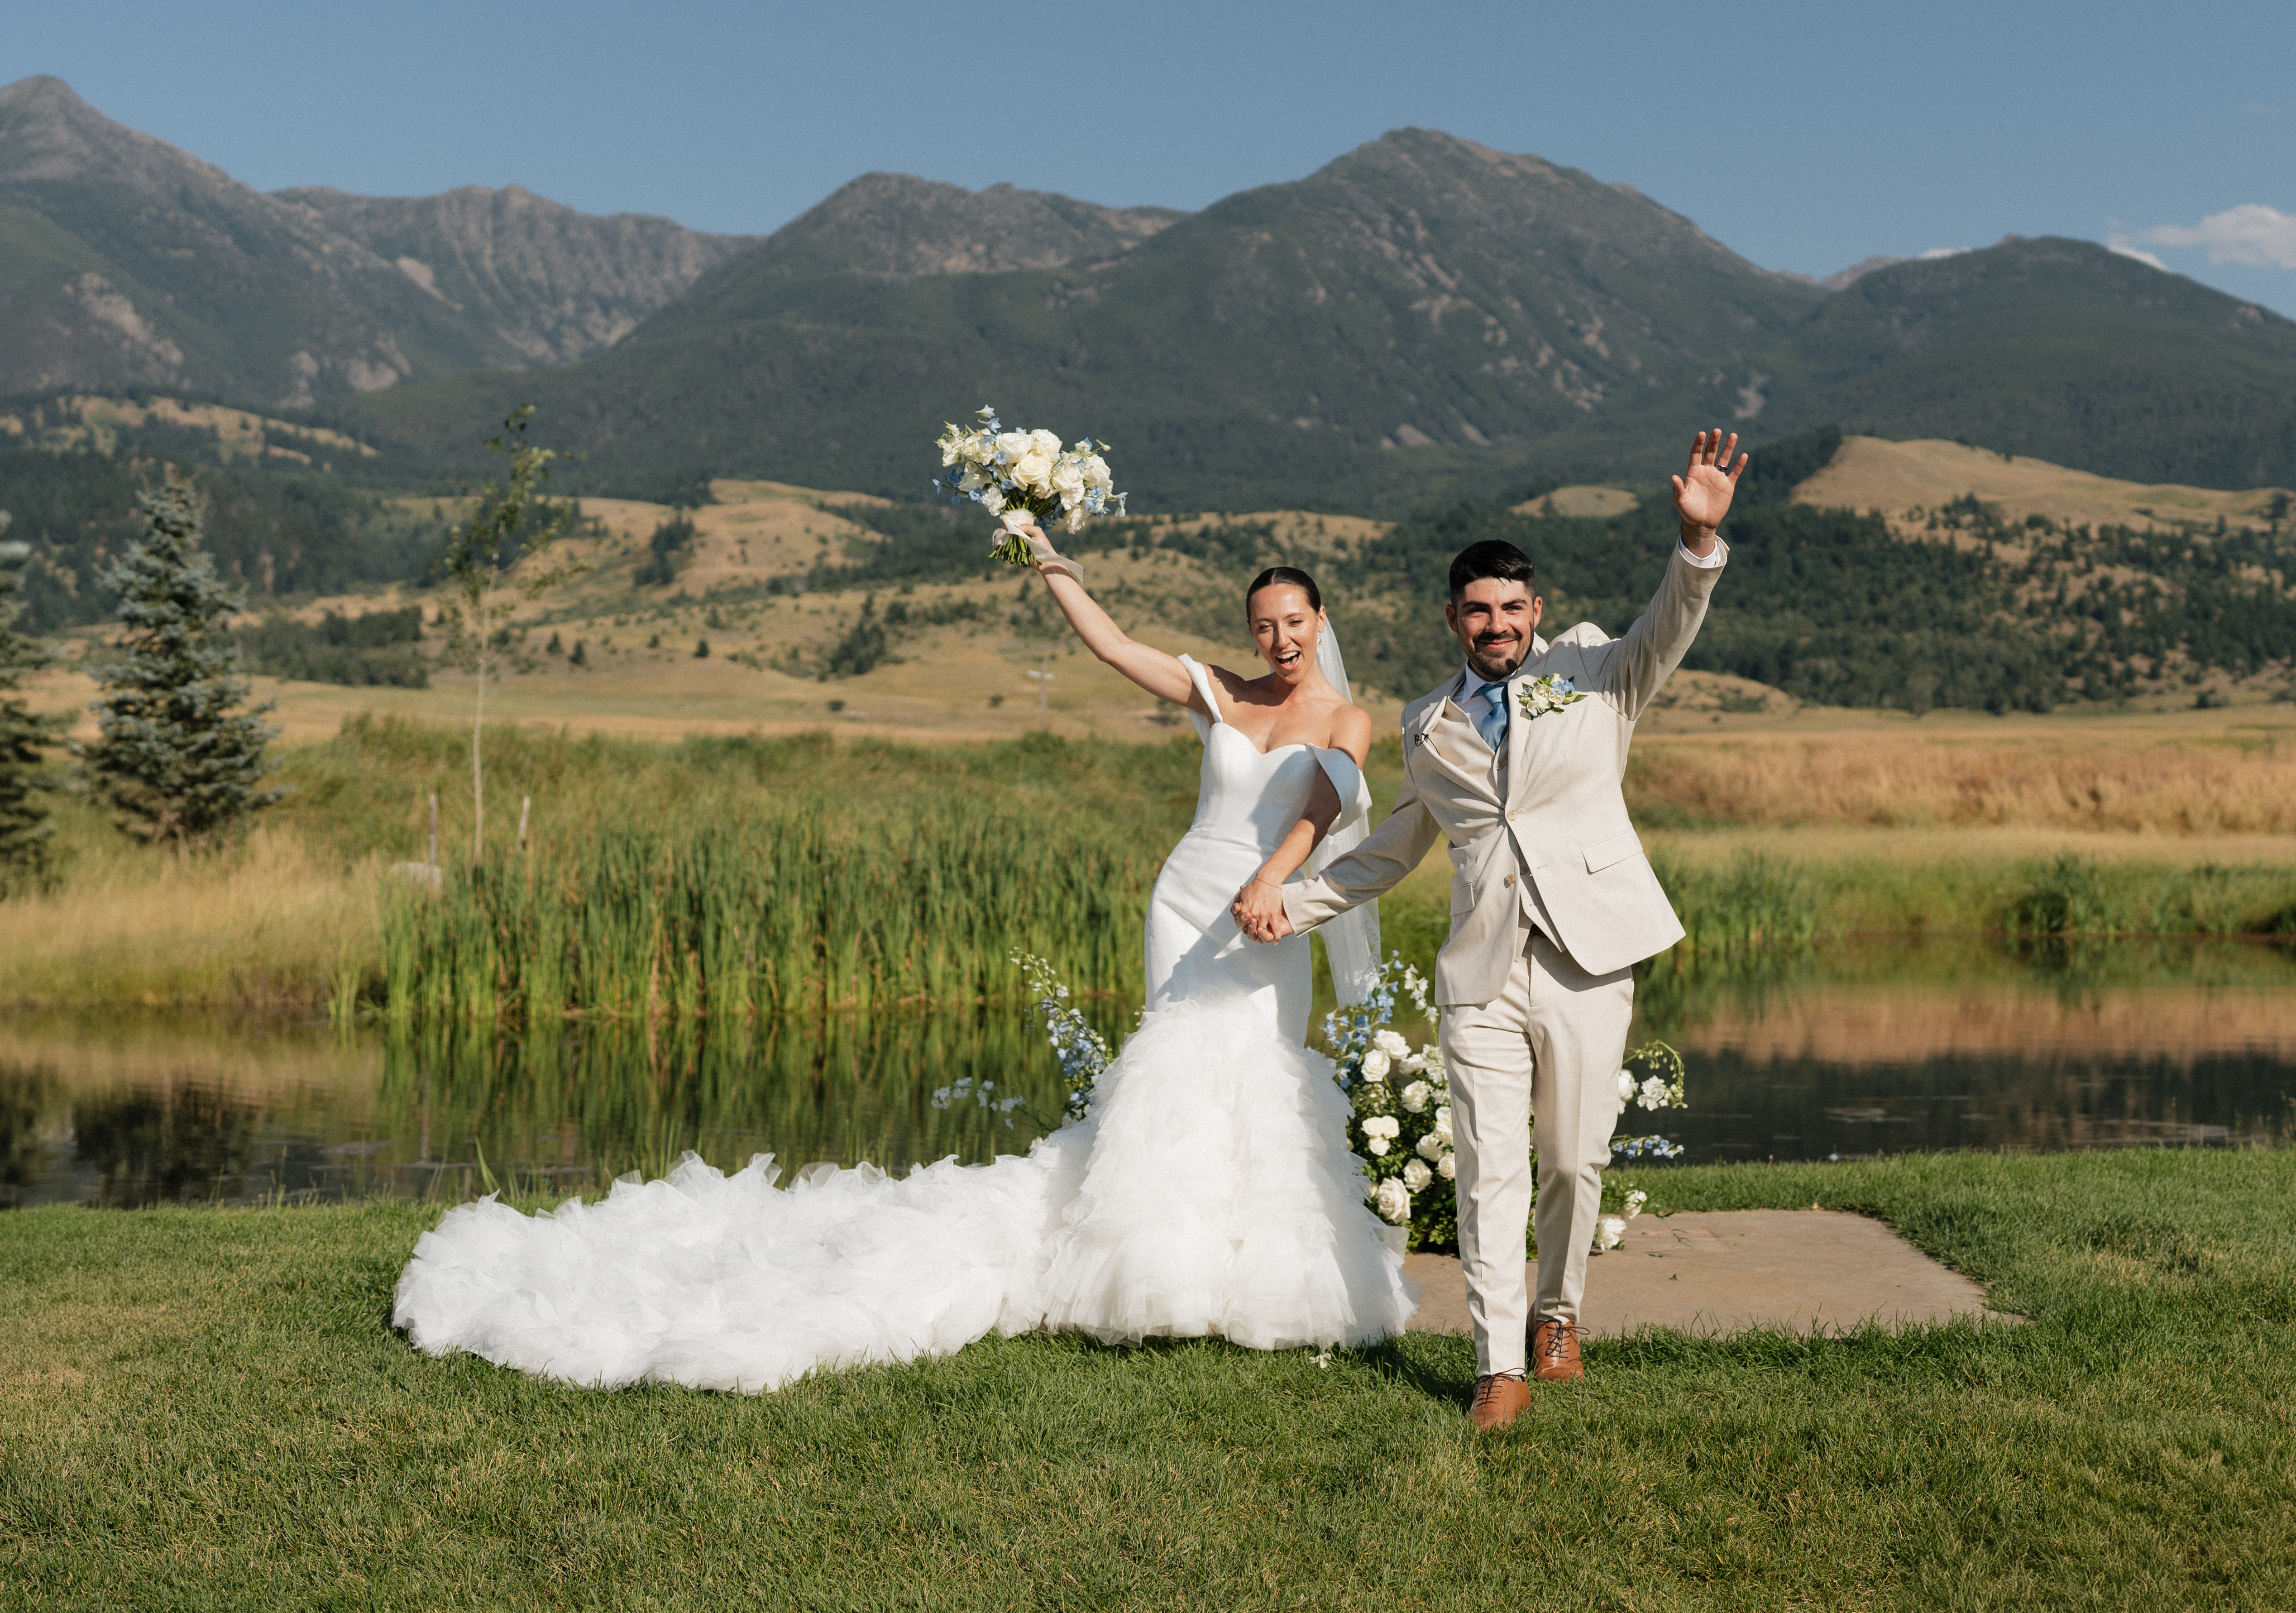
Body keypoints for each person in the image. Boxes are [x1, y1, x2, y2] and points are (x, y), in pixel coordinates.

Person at [391, 548, 1415, 1392]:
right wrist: (1049, 558)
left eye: (1291, 622)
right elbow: (1105, 644)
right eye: (1261, 625)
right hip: (1184, 897)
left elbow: (1325, 806)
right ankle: (1161, 1274)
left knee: (1254, 1068)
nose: (1276, 640)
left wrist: (1277, 884)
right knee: (1173, 1075)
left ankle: (1255, 1274)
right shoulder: (1218, 694)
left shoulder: (1344, 718)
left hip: (1268, 912)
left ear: (1320, 620)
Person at [1241, 429, 1745, 1432]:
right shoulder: (1427, 725)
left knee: (1570, 1159)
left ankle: (1559, 1314)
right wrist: (1285, 903)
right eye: (1478, 609)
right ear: (1453, 620)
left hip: (1586, 957)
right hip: (1479, 970)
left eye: (1512, 607)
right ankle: (1498, 1365)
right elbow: (1392, 848)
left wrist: (1695, 544)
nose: (1496, 624)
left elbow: (1670, 625)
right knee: (1488, 1166)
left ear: (1535, 613)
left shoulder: (1599, 672)